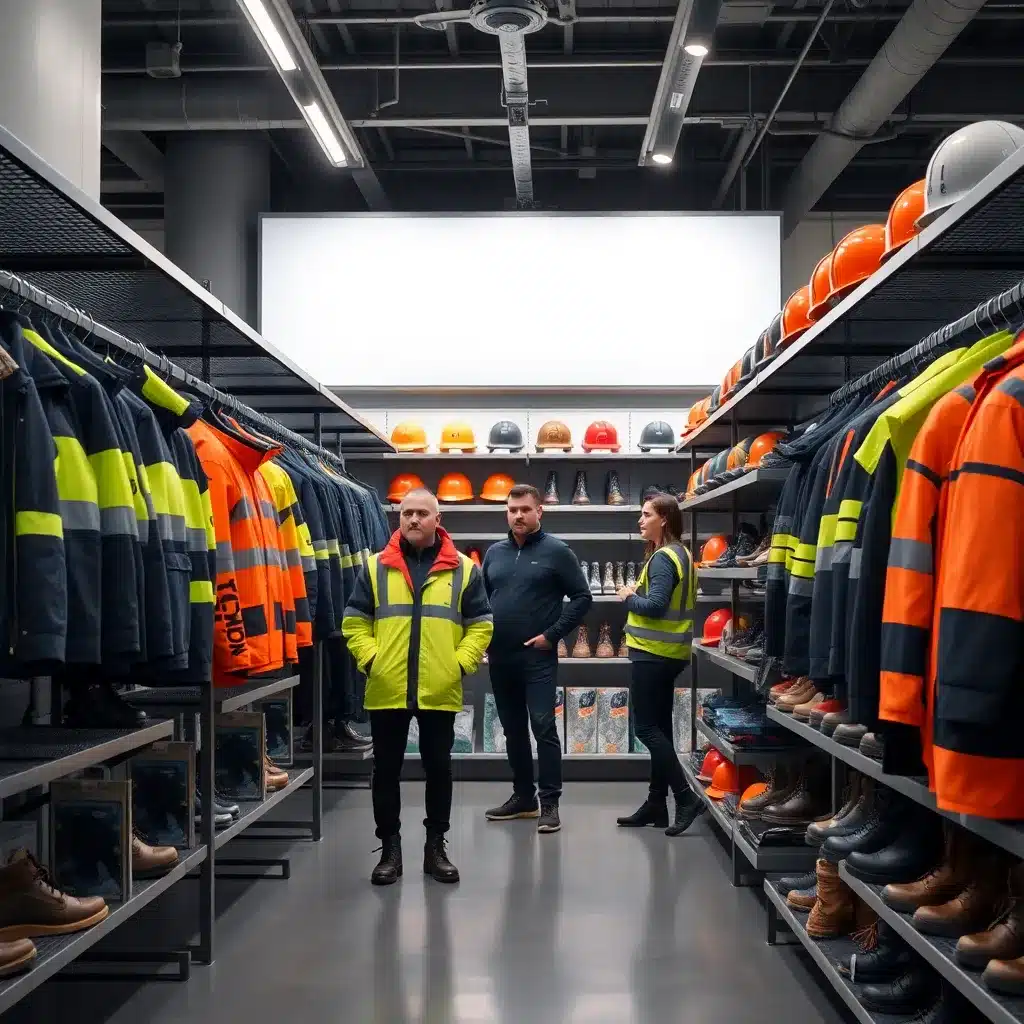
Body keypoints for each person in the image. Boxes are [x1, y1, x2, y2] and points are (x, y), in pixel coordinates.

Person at [342, 488, 492, 885]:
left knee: (439, 769)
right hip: (387, 687)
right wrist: (372, 660)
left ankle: (435, 848)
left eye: (422, 513)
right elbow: (354, 622)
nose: (413, 519)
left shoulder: (464, 569)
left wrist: (458, 665)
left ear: (437, 520)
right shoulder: (375, 567)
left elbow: (481, 625)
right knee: (385, 771)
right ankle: (389, 850)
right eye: (407, 512)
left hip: (439, 688)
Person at [481, 483, 592, 834]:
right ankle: (523, 798)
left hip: (537, 657)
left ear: (539, 511)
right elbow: (484, 602)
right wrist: (482, 639)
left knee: (543, 726)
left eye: (525, 509)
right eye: (512, 510)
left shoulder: (557, 551)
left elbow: (582, 597)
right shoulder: (494, 553)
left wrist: (552, 635)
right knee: (513, 729)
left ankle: (550, 802)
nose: (518, 515)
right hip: (500, 657)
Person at [615, 492, 704, 836]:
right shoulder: (681, 553)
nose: (640, 520)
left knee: (645, 729)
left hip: (653, 654)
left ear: (664, 519)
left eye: (647, 514)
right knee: (661, 729)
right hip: (668, 653)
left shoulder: (664, 558)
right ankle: (656, 803)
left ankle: (684, 797)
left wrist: (628, 596)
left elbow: (654, 606)